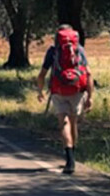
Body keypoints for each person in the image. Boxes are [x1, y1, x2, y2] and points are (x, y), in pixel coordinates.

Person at [37, 25, 94, 174]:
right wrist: (90, 96)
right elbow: (88, 73)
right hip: (77, 90)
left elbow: (42, 74)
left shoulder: (53, 51)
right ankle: (72, 155)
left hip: (58, 90)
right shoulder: (79, 49)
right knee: (73, 122)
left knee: (63, 123)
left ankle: (69, 160)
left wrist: (40, 90)